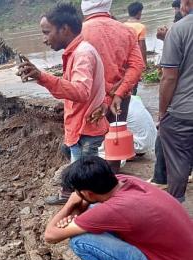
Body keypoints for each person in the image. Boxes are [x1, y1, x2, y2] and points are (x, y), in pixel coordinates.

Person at [44, 156, 193, 260]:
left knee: (80, 241)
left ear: (87, 192)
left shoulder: (115, 209)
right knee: (92, 209)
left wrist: (71, 203)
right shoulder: (122, 181)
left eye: (78, 192)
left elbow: (50, 236)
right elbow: (86, 206)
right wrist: (79, 208)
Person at [19, 2, 108, 204]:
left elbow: (81, 91)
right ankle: (71, 196)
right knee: (75, 161)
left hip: (85, 128)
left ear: (64, 29)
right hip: (80, 126)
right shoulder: (79, 51)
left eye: (46, 32)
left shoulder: (82, 53)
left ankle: (84, 212)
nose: (44, 39)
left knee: (83, 176)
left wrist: (43, 77)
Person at [81, 0, 144, 125]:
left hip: (93, 98)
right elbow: (137, 66)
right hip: (120, 98)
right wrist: (118, 93)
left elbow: (80, 73)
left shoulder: (79, 33)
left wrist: (108, 90)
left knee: (94, 140)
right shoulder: (127, 31)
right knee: (117, 137)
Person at [158, 0, 193, 203]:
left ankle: (176, 207)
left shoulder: (178, 30)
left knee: (179, 165)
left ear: (186, 4)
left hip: (182, 113)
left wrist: (163, 113)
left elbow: (169, 77)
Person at [125, 2, 147, 70]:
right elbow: (142, 47)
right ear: (139, 12)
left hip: (125, 59)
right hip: (136, 58)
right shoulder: (141, 27)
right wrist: (144, 63)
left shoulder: (122, 25)